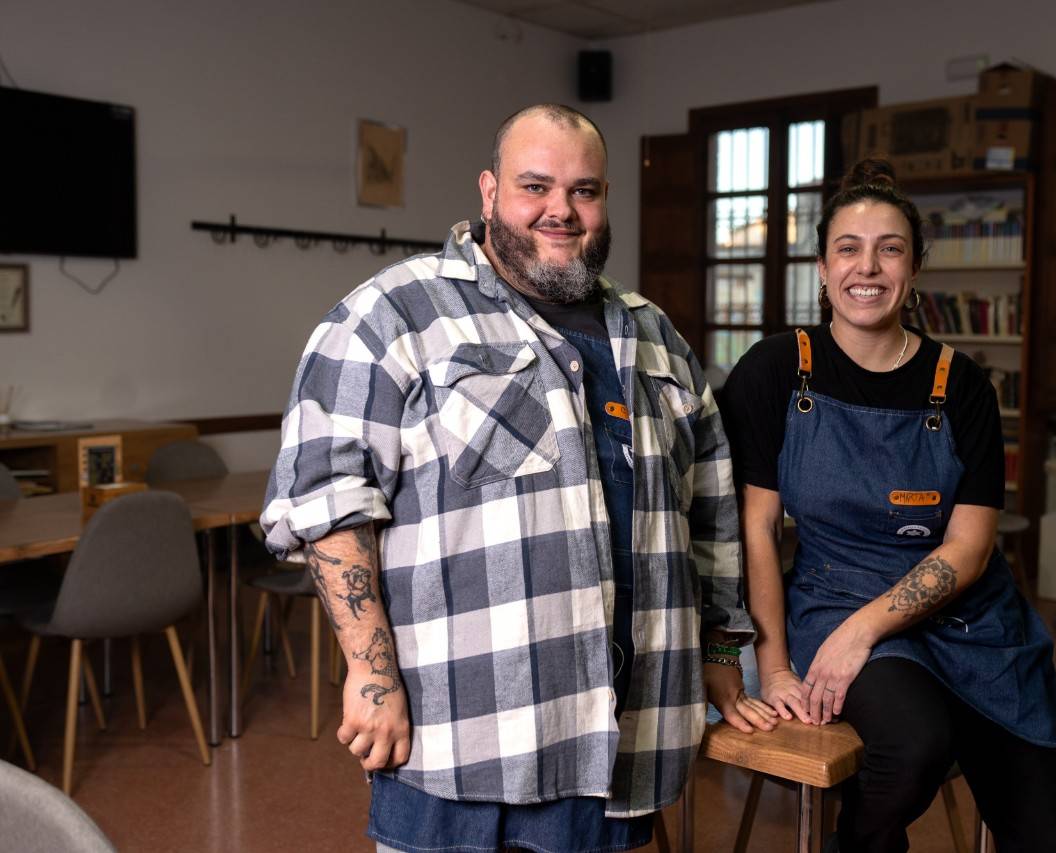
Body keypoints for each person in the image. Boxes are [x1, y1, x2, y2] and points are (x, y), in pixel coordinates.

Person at [260, 104, 768, 853]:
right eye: (536, 186)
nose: (561, 210)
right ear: (490, 192)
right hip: (460, 748)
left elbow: (714, 512)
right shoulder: (390, 316)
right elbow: (328, 502)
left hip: (623, 752)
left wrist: (723, 655)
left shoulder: (657, 337)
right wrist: (371, 674)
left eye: (585, 190)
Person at [718, 159, 1056, 853]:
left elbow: (970, 548)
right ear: (822, 268)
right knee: (913, 747)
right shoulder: (775, 369)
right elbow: (757, 528)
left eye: (890, 249)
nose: (869, 267)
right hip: (832, 594)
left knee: (1051, 839)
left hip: (974, 622)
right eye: (848, 248)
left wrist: (862, 631)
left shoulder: (964, 384)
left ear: (914, 271)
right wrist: (775, 666)